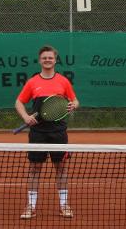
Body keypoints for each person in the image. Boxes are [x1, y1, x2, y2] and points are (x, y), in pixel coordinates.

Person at [15, 45, 79, 219]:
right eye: (44, 58)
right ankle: (31, 206)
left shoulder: (63, 81)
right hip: (37, 132)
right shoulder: (32, 82)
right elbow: (19, 102)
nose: (47, 60)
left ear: (55, 60)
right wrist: (26, 117)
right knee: (35, 169)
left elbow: (75, 100)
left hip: (58, 131)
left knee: (61, 168)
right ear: (39, 60)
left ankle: (64, 205)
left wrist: (74, 105)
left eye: (50, 57)